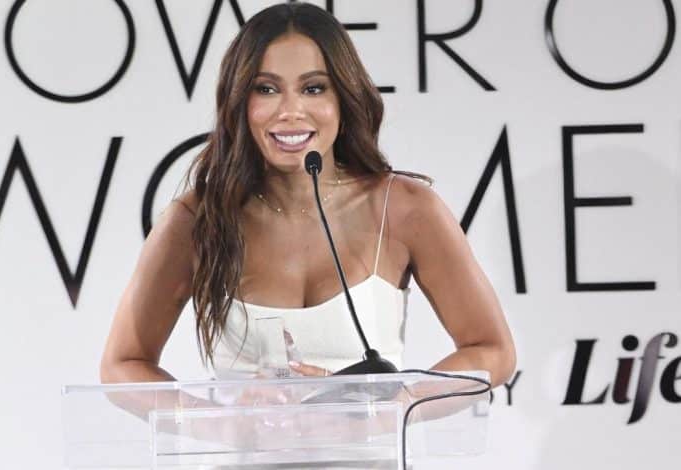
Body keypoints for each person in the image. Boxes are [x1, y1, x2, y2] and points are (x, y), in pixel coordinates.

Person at [100, 2, 515, 388]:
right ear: (239, 102)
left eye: (314, 88)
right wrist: (217, 420)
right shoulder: (197, 218)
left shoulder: (405, 209)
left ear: (344, 98)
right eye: (266, 89)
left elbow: (492, 351)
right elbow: (122, 364)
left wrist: (389, 407)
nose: (290, 111)